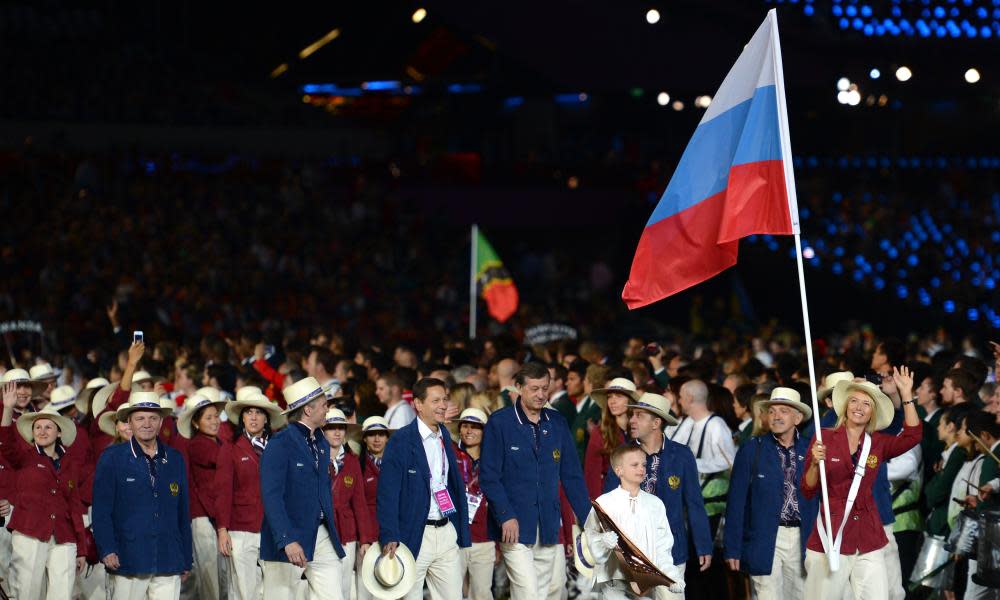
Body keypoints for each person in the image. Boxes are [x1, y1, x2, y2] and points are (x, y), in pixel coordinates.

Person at [802, 367, 921, 599]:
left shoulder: (877, 442)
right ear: (845, 405)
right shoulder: (824, 437)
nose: (859, 407)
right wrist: (815, 464)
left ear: (873, 412)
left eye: (866, 404)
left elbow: (912, 436)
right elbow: (807, 488)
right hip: (831, 535)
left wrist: (906, 395)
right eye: (854, 401)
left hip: (869, 535)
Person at [480, 362, 592, 600]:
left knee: (543, 593)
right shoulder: (500, 423)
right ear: (519, 387)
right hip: (514, 525)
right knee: (528, 593)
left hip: (549, 524)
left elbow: (572, 476)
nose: (541, 394)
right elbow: (489, 476)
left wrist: (588, 518)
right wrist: (505, 515)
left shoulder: (558, 422)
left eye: (545, 388)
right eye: (534, 389)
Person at [604, 392, 712, 600]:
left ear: (656, 422)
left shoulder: (681, 455)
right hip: (632, 550)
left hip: (671, 551)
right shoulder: (622, 454)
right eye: (632, 414)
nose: (632, 420)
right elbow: (608, 502)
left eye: (639, 416)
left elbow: (694, 503)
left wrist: (703, 544)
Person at [92, 391, 193, 599]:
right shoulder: (112, 457)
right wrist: (107, 548)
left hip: (168, 557)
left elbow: (183, 513)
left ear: (161, 422)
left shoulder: (175, 459)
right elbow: (101, 510)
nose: (146, 424)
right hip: (127, 557)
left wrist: (186, 557)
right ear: (129, 421)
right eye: (140, 418)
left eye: (153, 418)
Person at [376, 377, 471, 599]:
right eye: (435, 400)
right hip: (415, 534)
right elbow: (387, 493)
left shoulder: (445, 435)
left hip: (446, 532)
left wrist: (457, 529)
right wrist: (390, 533)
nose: (443, 405)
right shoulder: (400, 440)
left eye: (444, 399)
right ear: (418, 404)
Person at [723, 387, 815, 600]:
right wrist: (732, 548)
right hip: (764, 538)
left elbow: (820, 498)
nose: (776, 416)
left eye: (783, 410)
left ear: (798, 417)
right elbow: (736, 503)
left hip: (803, 538)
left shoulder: (811, 450)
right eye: (772, 411)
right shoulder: (751, 449)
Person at [259, 376, 346, 599]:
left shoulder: (322, 443)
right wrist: (286, 539)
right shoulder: (280, 444)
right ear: (308, 409)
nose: (328, 408)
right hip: (290, 537)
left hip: (322, 533)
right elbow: (271, 496)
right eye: (324, 404)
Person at [0, 382, 87, 600]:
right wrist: (8, 408)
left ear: (59, 432)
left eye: (48, 427)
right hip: (29, 533)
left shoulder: (69, 463)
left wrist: (82, 548)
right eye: (37, 427)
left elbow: (74, 506)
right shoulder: (24, 457)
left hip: (63, 535)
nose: (42, 431)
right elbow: (5, 443)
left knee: (62, 594)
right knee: (25, 593)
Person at [584, 445, 685, 599]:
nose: (641, 469)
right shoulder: (605, 503)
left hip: (645, 584)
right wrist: (602, 542)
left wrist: (671, 575)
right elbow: (591, 534)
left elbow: (662, 546)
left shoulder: (654, 504)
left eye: (644, 465)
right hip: (614, 582)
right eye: (634, 465)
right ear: (619, 470)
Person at [216, 389, 285, 600]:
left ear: (266, 418)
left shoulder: (279, 447)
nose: (253, 417)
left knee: (273, 590)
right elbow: (223, 491)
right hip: (241, 528)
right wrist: (222, 529)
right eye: (248, 412)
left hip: (273, 527)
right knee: (244, 590)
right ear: (242, 418)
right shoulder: (230, 448)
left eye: (258, 412)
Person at [177, 392, 228, 600]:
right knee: (211, 582)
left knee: (220, 579)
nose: (215, 421)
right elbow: (224, 463)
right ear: (196, 423)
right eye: (208, 417)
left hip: (215, 517)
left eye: (216, 416)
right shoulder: (198, 444)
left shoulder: (218, 443)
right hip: (203, 517)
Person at [323, 407, 375, 600]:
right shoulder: (313, 458)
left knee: (345, 586)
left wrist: (365, 539)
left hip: (347, 532)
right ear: (323, 430)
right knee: (323, 587)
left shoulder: (352, 461)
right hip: (321, 531)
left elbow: (359, 503)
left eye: (341, 427)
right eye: (331, 427)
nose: (337, 432)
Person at [454, 408, 494, 600]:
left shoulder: (494, 458)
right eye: (465, 426)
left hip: (484, 537)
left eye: (475, 427)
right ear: (459, 429)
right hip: (455, 537)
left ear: (484, 431)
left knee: (482, 594)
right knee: (451, 593)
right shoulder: (449, 454)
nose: (469, 431)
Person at [585, 378, 640, 499]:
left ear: (630, 400)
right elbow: (592, 474)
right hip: (610, 498)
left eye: (619, 396)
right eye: (610, 397)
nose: (612, 401)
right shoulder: (600, 432)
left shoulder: (641, 431)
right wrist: (598, 509)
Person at [357, 415, 392, 600]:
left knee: (391, 587)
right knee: (365, 590)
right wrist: (363, 538)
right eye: (372, 435)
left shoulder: (397, 465)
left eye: (381, 434)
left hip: (393, 536)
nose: (377, 439)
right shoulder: (357, 465)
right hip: (367, 538)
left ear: (387, 437)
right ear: (364, 438)